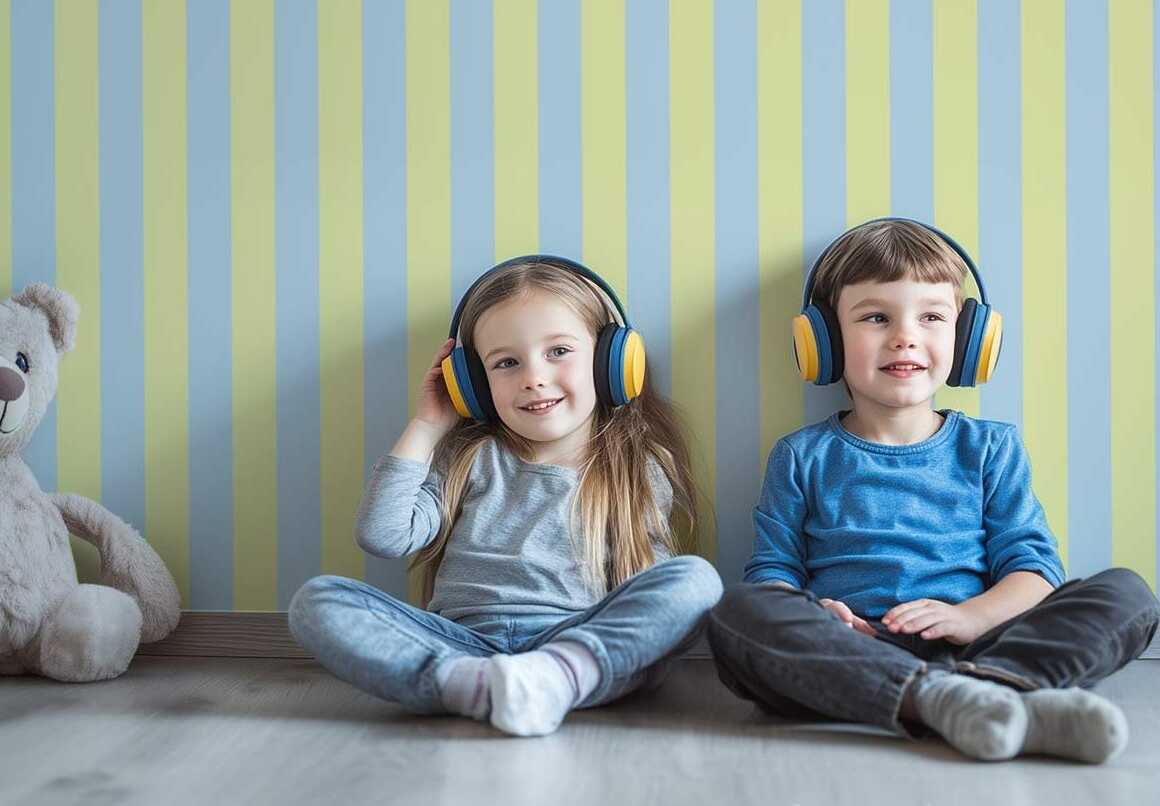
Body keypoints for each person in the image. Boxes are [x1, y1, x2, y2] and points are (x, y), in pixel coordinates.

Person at [707, 218, 1159, 763]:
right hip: (851, 650)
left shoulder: (991, 447)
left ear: (966, 340)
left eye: (931, 317)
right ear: (823, 340)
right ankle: (966, 697)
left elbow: (1036, 571)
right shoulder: (801, 456)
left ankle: (977, 687)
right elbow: (772, 575)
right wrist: (821, 613)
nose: (905, 336)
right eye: (876, 317)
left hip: (981, 640)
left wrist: (971, 617)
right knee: (738, 611)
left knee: (1128, 594)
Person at [290, 255, 722, 737]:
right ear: (473, 385)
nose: (533, 377)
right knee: (317, 599)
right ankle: (470, 684)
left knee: (695, 580)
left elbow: (647, 582)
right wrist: (428, 426)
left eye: (558, 351)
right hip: (461, 642)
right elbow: (383, 535)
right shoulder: (466, 457)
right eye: (506, 363)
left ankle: (554, 676)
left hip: (576, 639)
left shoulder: (634, 464)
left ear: (611, 361)